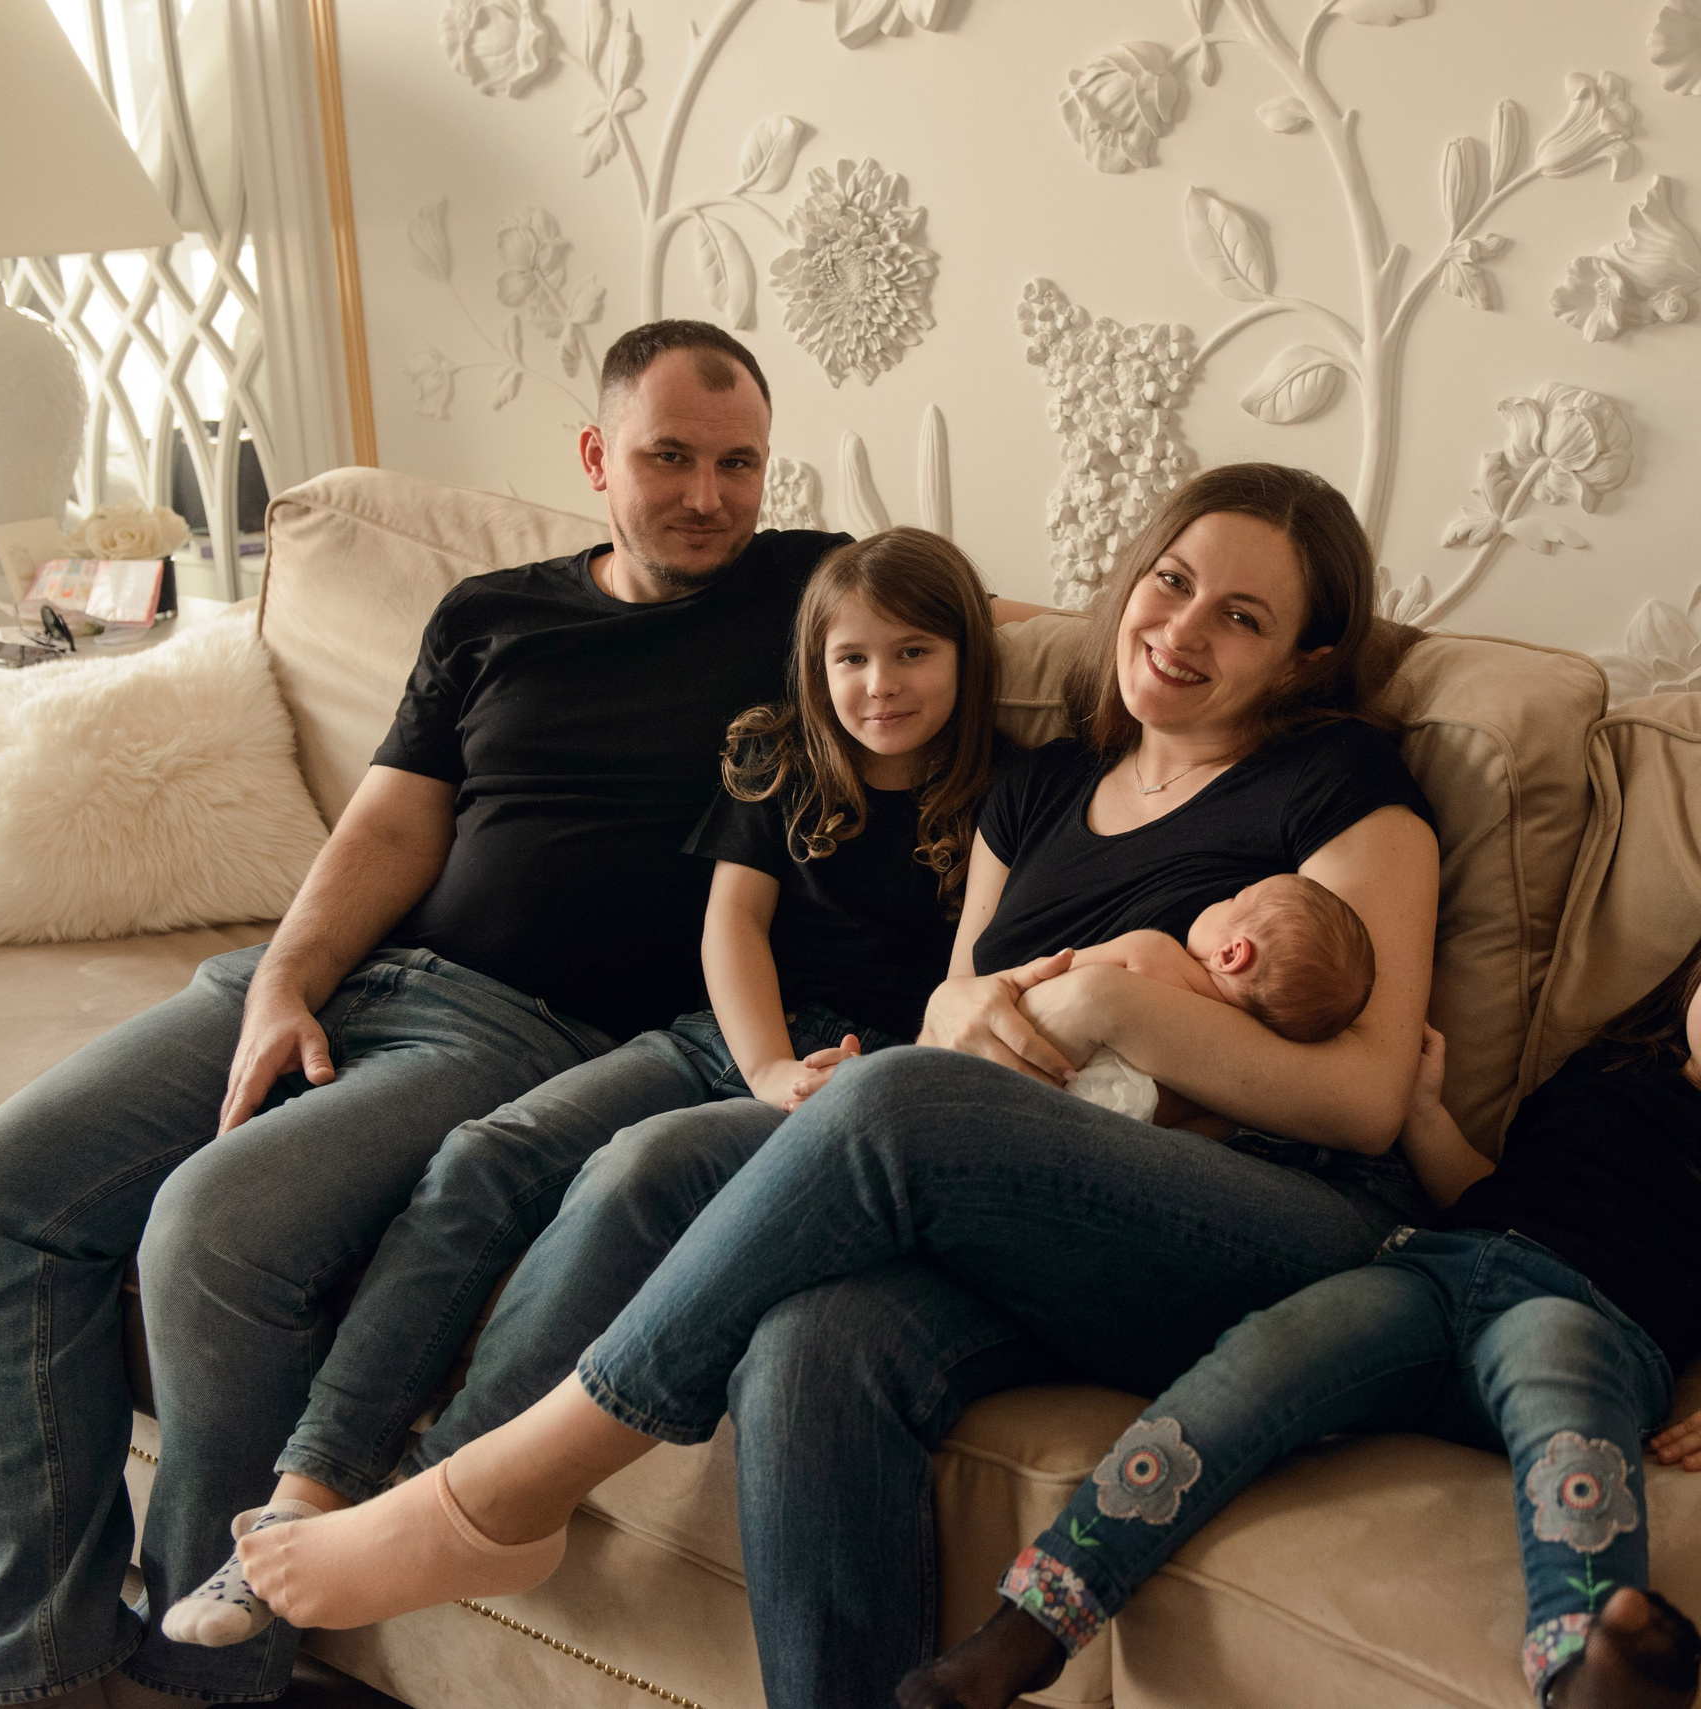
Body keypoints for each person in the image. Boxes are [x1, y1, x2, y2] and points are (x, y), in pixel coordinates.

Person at [235, 462, 1469, 1709]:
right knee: (786, 1312)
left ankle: (497, 1493)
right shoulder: (1037, 786)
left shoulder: (1346, 792)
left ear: (1305, 661)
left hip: (1274, 1217)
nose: (1184, 628)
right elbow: (948, 1004)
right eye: (1172, 582)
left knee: (885, 1100)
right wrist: (977, 1018)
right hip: (1041, 1202)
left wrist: (1108, 1004)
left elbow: (1367, 1099)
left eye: (1242, 617)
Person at [0, 319, 847, 1709]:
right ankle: (33, 1667)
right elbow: (392, 824)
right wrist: (289, 978)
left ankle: (198, 1672)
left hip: (524, 1034)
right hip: (363, 978)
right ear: (599, 458)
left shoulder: (810, 601)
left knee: (213, 1226)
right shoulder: (492, 613)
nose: (708, 496)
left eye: (739, 464)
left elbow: (1010, 641)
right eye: (669, 458)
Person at [156, 526, 1003, 1649]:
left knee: (618, 1179)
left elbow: (968, 982)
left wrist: (844, 1080)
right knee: (486, 1153)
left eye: (913, 655)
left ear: (964, 657)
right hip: (727, 1036)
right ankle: (310, 1487)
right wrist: (757, 1063)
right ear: (814, 662)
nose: (878, 685)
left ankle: (437, 1487)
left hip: (867, 1079)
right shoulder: (781, 756)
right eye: (851, 657)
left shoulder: (1003, 786)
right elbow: (731, 927)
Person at [902, 867, 1701, 1709]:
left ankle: (1592, 1660)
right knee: (1253, 1364)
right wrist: (1424, 1118)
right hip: (1426, 1270)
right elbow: (1492, 1192)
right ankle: (1026, 1630)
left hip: (1583, 1319)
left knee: (1561, 1379)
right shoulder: (1602, 1073)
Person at [1062, 872, 1376, 1126]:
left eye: (1235, 898)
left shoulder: (1152, 952)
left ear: (1230, 954)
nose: (1225, 898)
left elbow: (1053, 973)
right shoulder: (1224, 1085)